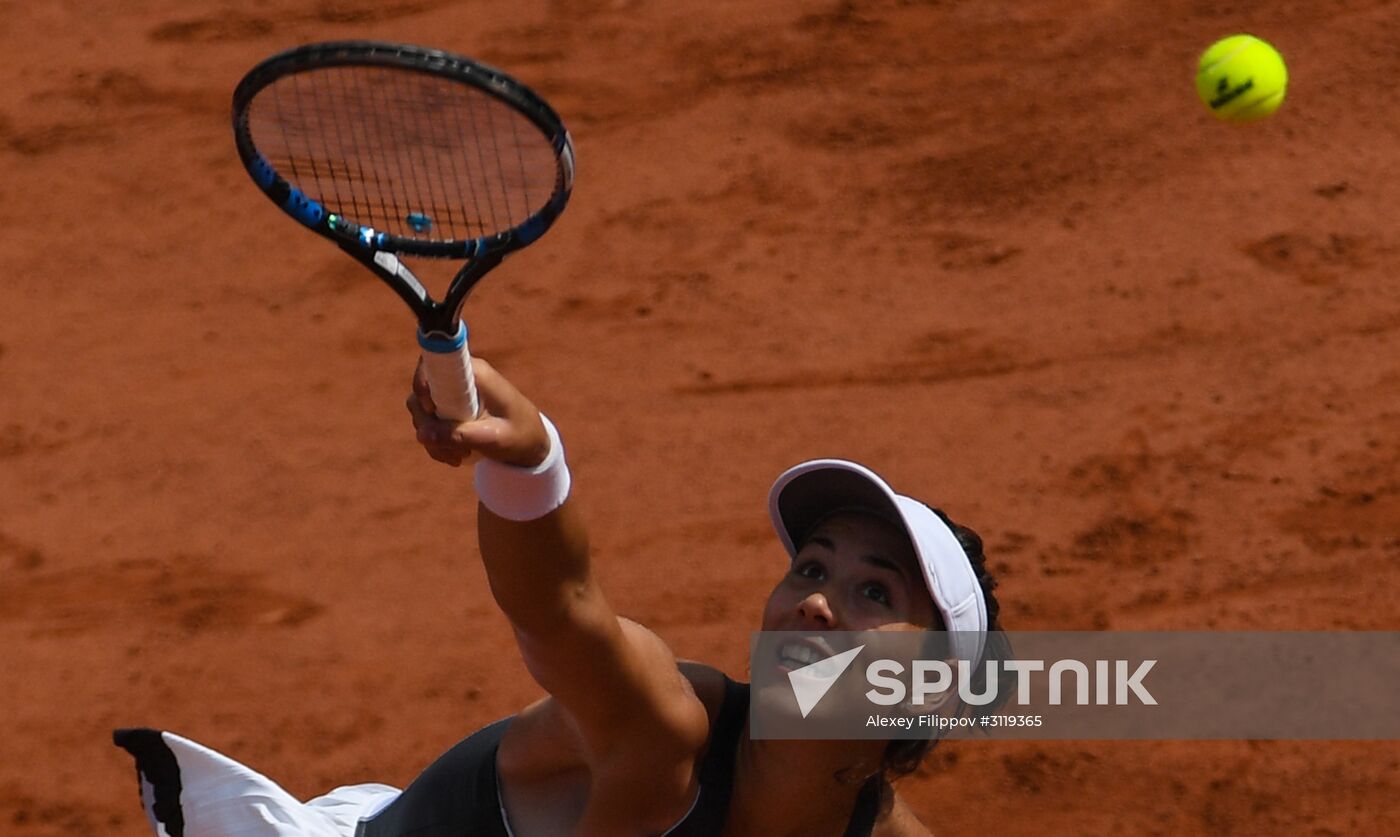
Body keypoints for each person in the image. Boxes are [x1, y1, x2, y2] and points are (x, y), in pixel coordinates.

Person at [115, 357, 1010, 836]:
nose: (816, 603)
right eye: (811, 569)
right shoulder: (662, 729)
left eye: (870, 591)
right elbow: (558, 605)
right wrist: (528, 463)